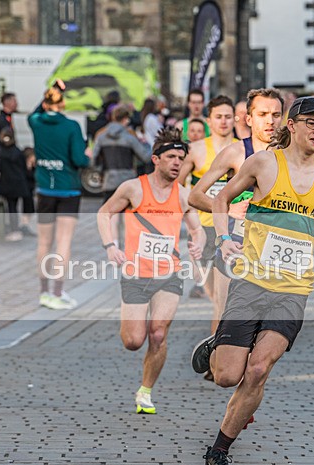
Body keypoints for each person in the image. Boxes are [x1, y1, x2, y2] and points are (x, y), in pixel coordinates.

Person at [190, 96, 314, 465]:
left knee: (259, 369)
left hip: (293, 290)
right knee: (227, 376)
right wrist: (223, 238)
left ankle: (218, 453)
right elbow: (221, 198)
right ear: (292, 125)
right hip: (251, 283)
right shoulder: (263, 164)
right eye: (312, 123)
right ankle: (216, 347)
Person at [97, 127, 205, 415]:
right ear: (156, 159)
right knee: (133, 341)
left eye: (181, 159)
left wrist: (198, 245)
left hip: (169, 273)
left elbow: (198, 229)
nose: (177, 163)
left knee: (158, 334)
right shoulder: (133, 188)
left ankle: (145, 392)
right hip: (136, 273)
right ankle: (134, 331)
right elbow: (104, 213)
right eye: (171, 157)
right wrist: (110, 246)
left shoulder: (184, 195)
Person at [188, 89, 284, 338]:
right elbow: (195, 196)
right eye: (262, 114)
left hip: (275, 248)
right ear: (248, 119)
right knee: (224, 315)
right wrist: (228, 208)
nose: (270, 121)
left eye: (276, 115)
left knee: (264, 322)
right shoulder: (236, 153)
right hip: (236, 244)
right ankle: (215, 356)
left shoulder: (291, 155)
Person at [29, 86, 90, 310]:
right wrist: (87, 156)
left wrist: (51, 90)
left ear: (45, 103)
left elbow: (35, 112)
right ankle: (57, 292)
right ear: (63, 104)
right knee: (63, 242)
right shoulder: (71, 126)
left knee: (43, 242)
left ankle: (43, 292)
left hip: (45, 188)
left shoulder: (36, 122)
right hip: (68, 189)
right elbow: (79, 159)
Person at [177, 95, 237, 316]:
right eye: (218, 117)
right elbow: (177, 185)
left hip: (232, 226)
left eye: (228, 117)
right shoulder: (196, 149)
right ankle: (219, 329)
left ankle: (223, 330)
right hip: (203, 228)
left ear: (235, 119)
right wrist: (189, 211)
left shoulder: (242, 149)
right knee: (213, 294)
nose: (224, 121)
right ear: (209, 120)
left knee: (226, 295)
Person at [92, 104, 152, 241]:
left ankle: (114, 247)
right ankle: (128, 248)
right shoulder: (129, 137)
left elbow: (94, 159)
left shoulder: (101, 136)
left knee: (112, 216)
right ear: (126, 119)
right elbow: (145, 157)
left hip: (109, 180)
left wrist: (100, 173)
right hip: (127, 181)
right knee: (128, 217)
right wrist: (147, 144)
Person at [0, 93, 35, 237]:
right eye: (14, 100)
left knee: (12, 204)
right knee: (16, 202)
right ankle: (16, 227)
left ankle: (15, 227)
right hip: (12, 172)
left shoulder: (7, 118)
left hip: (8, 172)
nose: (17, 103)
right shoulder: (3, 120)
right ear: (6, 102)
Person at [0, 128, 31, 242]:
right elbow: (24, 168)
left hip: (6, 183)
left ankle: (11, 229)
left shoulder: (1, 152)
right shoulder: (18, 152)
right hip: (18, 183)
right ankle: (15, 229)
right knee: (14, 208)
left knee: (8, 207)